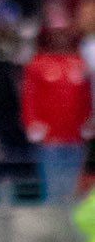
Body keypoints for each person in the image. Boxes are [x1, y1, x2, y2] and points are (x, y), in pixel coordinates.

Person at [21, 22, 92, 208]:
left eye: (64, 34)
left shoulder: (80, 64)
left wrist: (88, 122)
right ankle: (53, 220)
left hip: (75, 136)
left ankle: (71, 220)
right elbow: (29, 97)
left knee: (73, 187)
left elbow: (86, 98)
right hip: (49, 138)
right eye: (56, 34)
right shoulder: (37, 65)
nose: (61, 38)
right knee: (53, 187)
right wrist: (32, 122)